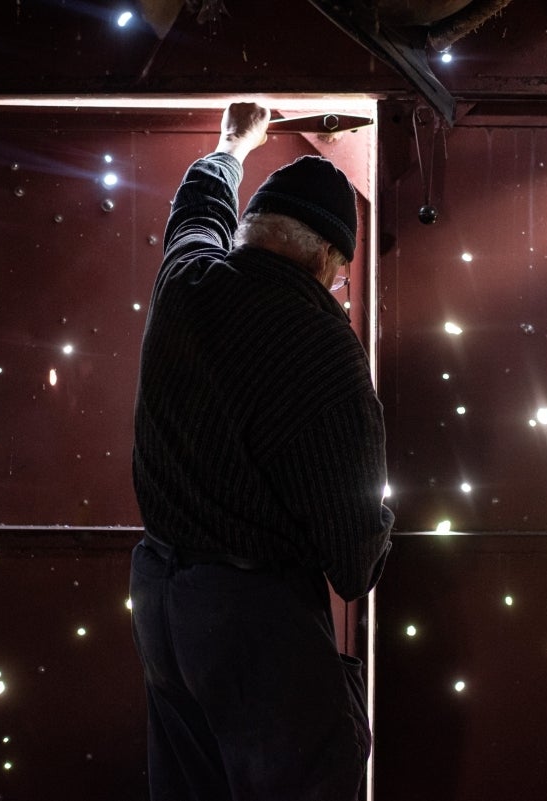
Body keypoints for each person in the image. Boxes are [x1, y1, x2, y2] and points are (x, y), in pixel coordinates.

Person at [129, 101, 394, 801]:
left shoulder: (185, 280)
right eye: (341, 279)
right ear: (328, 260)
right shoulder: (327, 354)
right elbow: (355, 560)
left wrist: (232, 145)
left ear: (249, 232)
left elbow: (198, 207)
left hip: (161, 596)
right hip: (252, 619)